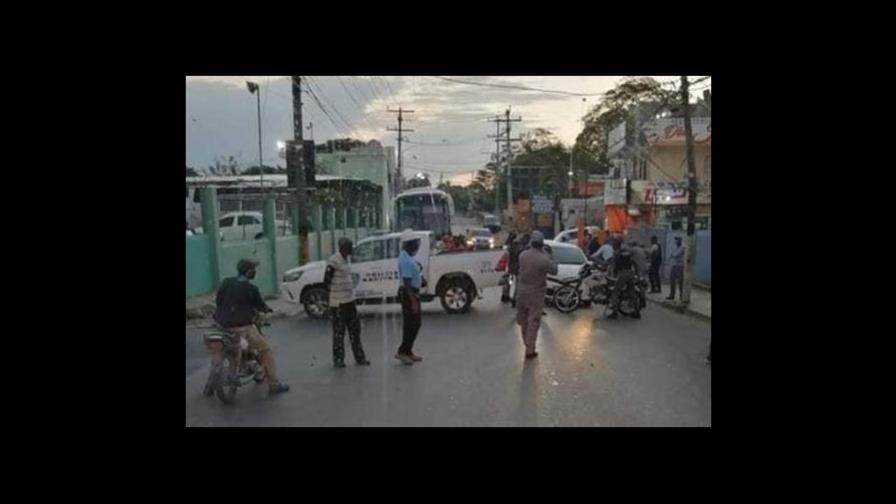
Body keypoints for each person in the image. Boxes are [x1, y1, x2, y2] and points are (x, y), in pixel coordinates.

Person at [208, 259, 289, 395]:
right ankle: (274, 384)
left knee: (219, 352)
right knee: (266, 351)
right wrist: (268, 309)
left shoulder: (226, 282)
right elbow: (260, 306)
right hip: (242, 327)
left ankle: (209, 387)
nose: (255, 272)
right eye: (254, 270)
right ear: (249, 272)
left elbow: (219, 300)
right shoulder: (251, 289)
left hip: (222, 326)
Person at [324, 238, 369, 368]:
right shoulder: (334, 261)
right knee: (339, 333)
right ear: (343, 247)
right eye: (350, 247)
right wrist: (330, 302)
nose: (352, 249)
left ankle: (360, 357)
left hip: (350, 301)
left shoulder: (346, 259)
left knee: (355, 331)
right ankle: (338, 359)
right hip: (338, 304)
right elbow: (326, 280)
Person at [515, 231, 558, 359]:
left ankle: (527, 343)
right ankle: (530, 348)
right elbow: (554, 270)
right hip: (536, 294)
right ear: (541, 244)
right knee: (533, 321)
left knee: (524, 321)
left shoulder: (522, 255)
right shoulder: (543, 259)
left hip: (521, 292)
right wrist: (550, 256)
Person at [396, 230, 424, 365]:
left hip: (412, 293)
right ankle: (402, 351)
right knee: (411, 324)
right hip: (409, 294)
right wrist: (413, 301)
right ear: (409, 244)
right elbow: (407, 283)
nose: (417, 246)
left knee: (414, 324)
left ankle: (408, 351)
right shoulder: (405, 259)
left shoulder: (407, 256)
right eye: (415, 243)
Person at [608, 237, 639, 319]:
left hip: (622, 274)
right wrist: (637, 273)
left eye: (613, 244)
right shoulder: (626, 253)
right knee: (631, 292)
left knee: (615, 293)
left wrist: (613, 274)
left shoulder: (616, 253)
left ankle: (614, 313)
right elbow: (633, 263)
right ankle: (637, 312)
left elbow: (613, 265)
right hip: (630, 273)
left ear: (615, 245)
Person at [667, 236, 686, 301]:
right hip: (674, 265)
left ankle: (682, 296)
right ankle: (672, 295)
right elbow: (671, 255)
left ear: (680, 240)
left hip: (680, 266)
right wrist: (672, 255)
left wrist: (672, 255)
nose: (676, 241)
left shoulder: (683, 247)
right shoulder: (675, 247)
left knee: (680, 282)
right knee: (672, 281)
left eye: (677, 240)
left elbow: (676, 255)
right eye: (675, 240)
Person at [501, 231, 518, 303]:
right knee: (508, 282)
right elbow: (514, 255)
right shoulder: (512, 246)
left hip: (506, 266)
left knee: (507, 282)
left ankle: (505, 295)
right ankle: (505, 296)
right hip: (510, 267)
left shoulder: (506, 244)